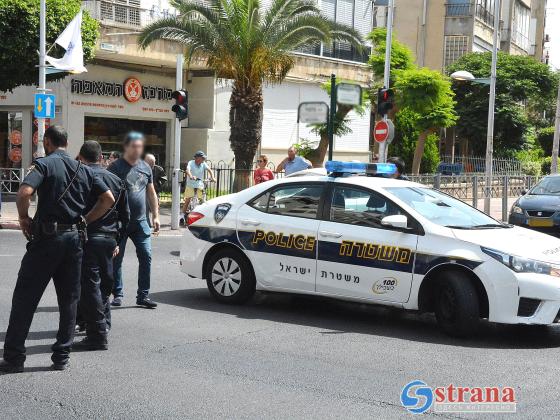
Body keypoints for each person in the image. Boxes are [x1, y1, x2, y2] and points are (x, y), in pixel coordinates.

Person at [0, 126, 115, 373]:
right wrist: (85, 219)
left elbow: (24, 192)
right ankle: (61, 356)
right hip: (74, 240)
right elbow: (108, 199)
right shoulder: (82, 168)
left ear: (47, 141)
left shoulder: (44, 165)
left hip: (46, 240)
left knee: (24, 298)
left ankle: (14, 357)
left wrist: (23, 218)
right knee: (69, 300)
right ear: (66, 142)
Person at [74, 141, 129, 351]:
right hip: (109, 239)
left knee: (90, 286)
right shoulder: (116, 179)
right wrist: (117, 240)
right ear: (101, 157)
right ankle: (101, 325)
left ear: (81, 156)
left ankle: (96, 334)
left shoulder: (82, 176)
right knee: (104, 284)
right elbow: (126, 216)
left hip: (87, 236)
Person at [108, 132, 159, 309]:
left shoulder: (146, 167)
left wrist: (156, 215)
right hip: (120, 223)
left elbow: (151, 192)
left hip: (141, 222)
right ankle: (118, 293)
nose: (137, 149)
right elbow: (107, 193)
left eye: (140, 146)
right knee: (116, 259)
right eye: (134, 146)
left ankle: (143, 296)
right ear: (127, 147)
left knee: (146, 256)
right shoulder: (115, 167)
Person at [180, 151, 216, 224]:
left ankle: (202, 215)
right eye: (202, 158)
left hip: (199, 184)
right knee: (188, 199)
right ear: (197, 158)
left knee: (202, 200)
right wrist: (190, 176)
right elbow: (188, 170)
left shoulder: (203, 164)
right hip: (191, 184)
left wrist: (213, 177)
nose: (203, 159)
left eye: (204, 158)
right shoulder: (191, 162)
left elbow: (210, 170)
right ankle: (182, 215)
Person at [144, 154, 167, 225]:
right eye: (149, 164)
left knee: (155, 209)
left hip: (155, 192)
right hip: (144, 193)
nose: (151, 166)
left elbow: (164, 179)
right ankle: (147, 225)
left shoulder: (158, 169)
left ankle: (155, 223)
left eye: (152, 164)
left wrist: (156, 184)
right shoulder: (140, 169)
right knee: (145, 210)